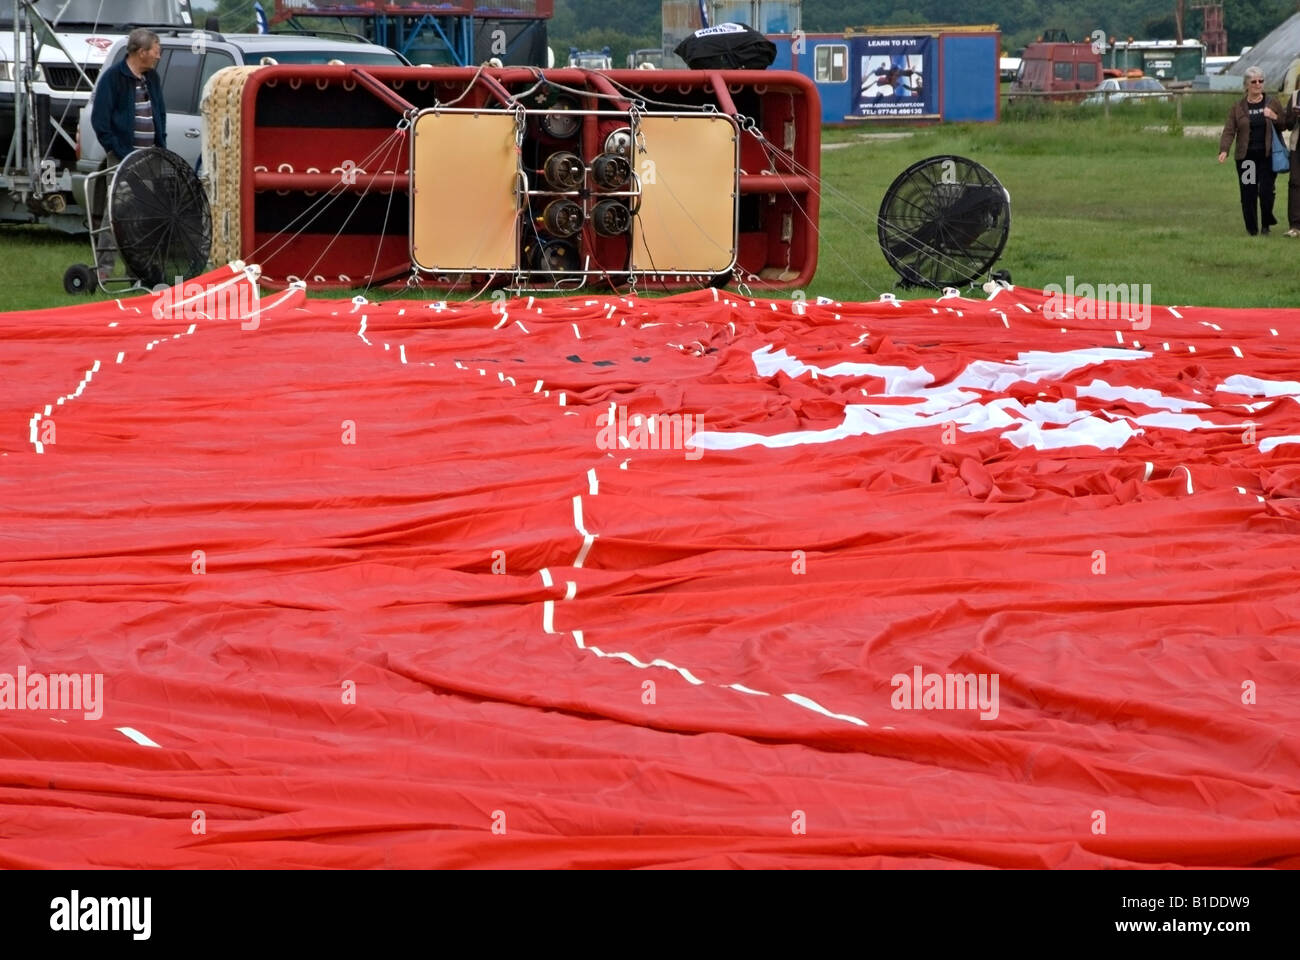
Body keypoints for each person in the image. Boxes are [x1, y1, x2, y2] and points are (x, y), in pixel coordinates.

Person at [88, 28, 166, 280]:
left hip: (150, 159)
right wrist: (121, 152)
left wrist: (160, 148)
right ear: (141, 52)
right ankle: (104, 270)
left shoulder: (152, 78)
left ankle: (137, 272)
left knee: (145, 216)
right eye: (155, 50)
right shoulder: (113, 78)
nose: (158, 56)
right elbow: (100, 122)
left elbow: (159, 113)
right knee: (117, 214)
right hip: (123, 159)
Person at [1217, 66, 1283, 236]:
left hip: (1267, 156)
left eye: (1261, 81)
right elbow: (1229, 130)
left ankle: (1266, 223)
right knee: (1249, 192)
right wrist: (1224, 149)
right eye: (1253, 81)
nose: (1258, 84)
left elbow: (1284, 123)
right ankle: (1252, 229)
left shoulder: (1272, 102)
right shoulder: (1238, 107)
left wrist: (1274, 117)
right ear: (1246, 85)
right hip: (1246, 158)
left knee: (1266, 191)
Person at [1282, 86, 1300, 237]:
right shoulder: (1295, 96)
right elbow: (1287, 125)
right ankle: (1295, 226)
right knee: (1295, 183)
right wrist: (1295, 116)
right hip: (1297, 147)